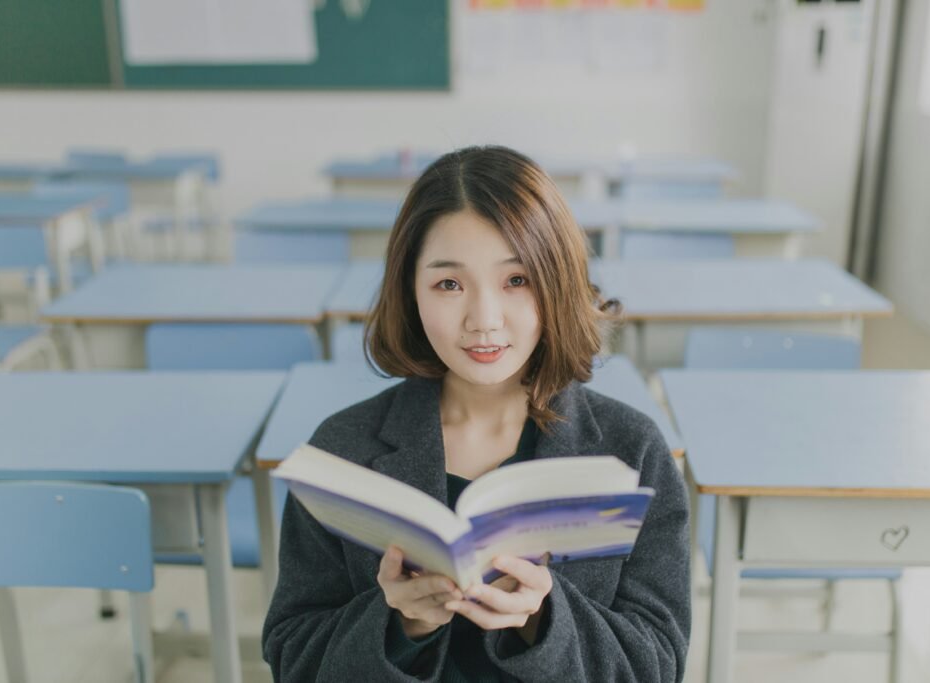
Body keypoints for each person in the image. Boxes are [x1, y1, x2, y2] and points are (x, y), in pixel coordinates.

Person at [263, 145, 690, 682]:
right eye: (449, 284)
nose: (484, 320)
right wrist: (400, 626)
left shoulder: (632, 452)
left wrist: (544, 620)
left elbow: (657, 665)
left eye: (517, 280)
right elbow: (292, 657)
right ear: (411, 293)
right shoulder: (343, 449)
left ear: (556, 283)